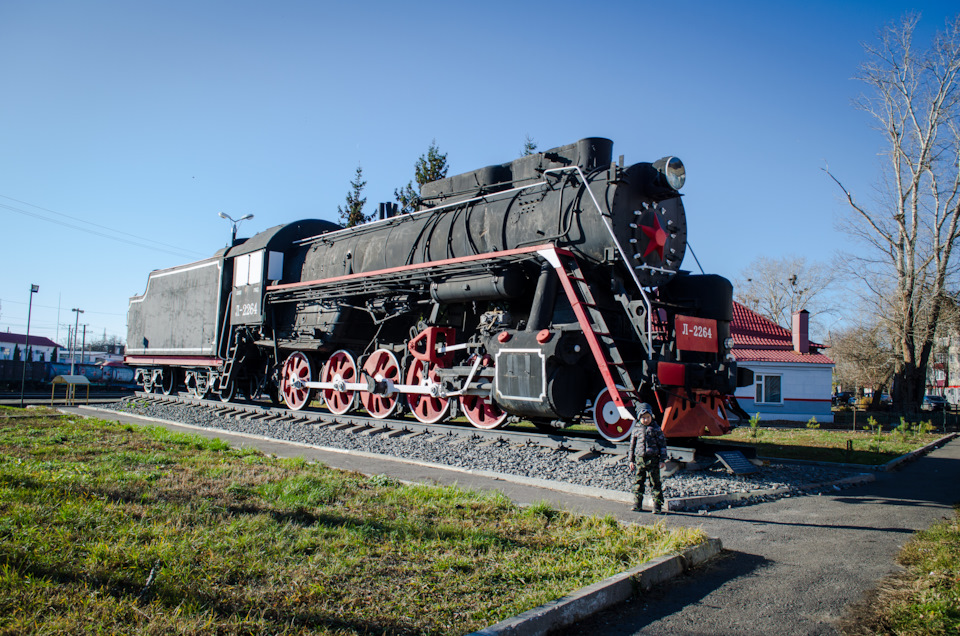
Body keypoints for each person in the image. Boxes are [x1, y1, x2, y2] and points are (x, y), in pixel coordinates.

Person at [627, 403, 668, 514]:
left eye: (647, 417)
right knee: (638, 482)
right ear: (639, 418)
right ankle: (637, 503)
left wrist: (662, 460)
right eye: (643, 418)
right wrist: (631, 460)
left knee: (655, 482)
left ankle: (657, 505)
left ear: (651, 417)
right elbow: (632, 445)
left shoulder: (656, 429)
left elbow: (662, 444)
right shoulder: (636, 429)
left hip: (653, 459)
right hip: (640, 459)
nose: (645, 420)